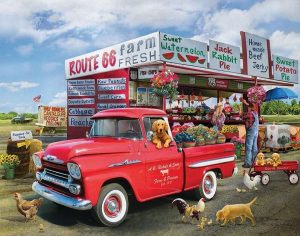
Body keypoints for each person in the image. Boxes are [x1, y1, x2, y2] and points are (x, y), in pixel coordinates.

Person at [242, 101, 259, 168]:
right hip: (256, 131)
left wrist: (240, 112)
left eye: (248, 107)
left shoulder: (249, 114)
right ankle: (255, 162)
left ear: (249, 108)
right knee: (254, 147)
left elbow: (243, 117)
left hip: (251, 132)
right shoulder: (256, 113)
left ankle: (248, 163)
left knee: (248, 147)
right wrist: (246, 103)